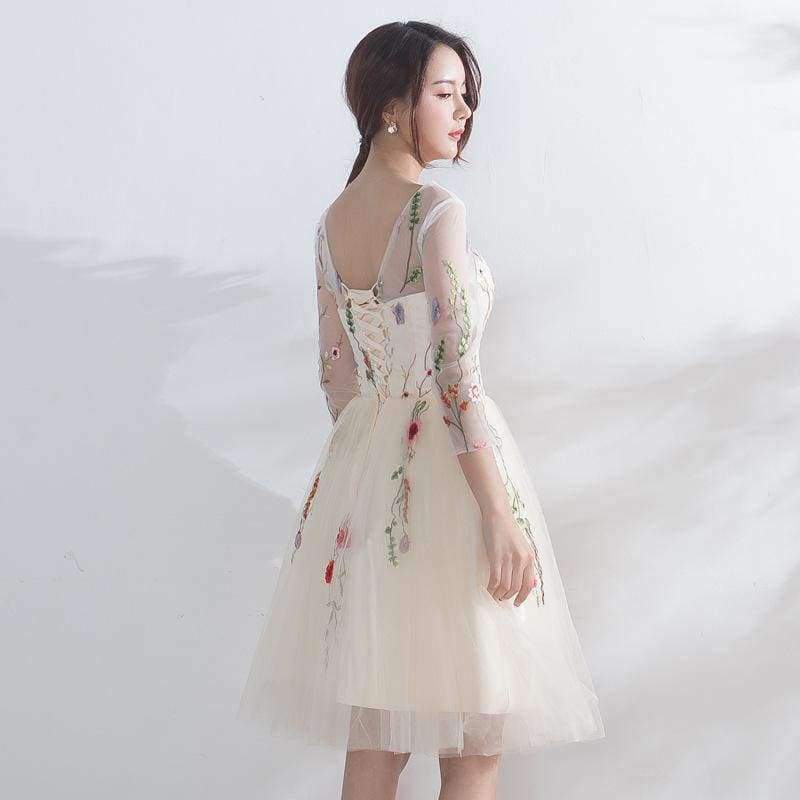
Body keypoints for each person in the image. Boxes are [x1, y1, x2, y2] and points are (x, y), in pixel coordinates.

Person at [237, 20, 605, 800]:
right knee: (476, 739)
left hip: (370, 483)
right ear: (392, 107)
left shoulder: (332, 225)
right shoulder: (434, 210)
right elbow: (453, 373)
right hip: (454, 481)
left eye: (465, 96)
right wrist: (497, 514)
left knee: (380, 731)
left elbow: (337, 376)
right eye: (445, 93)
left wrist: (370, 481)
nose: (464, 111)